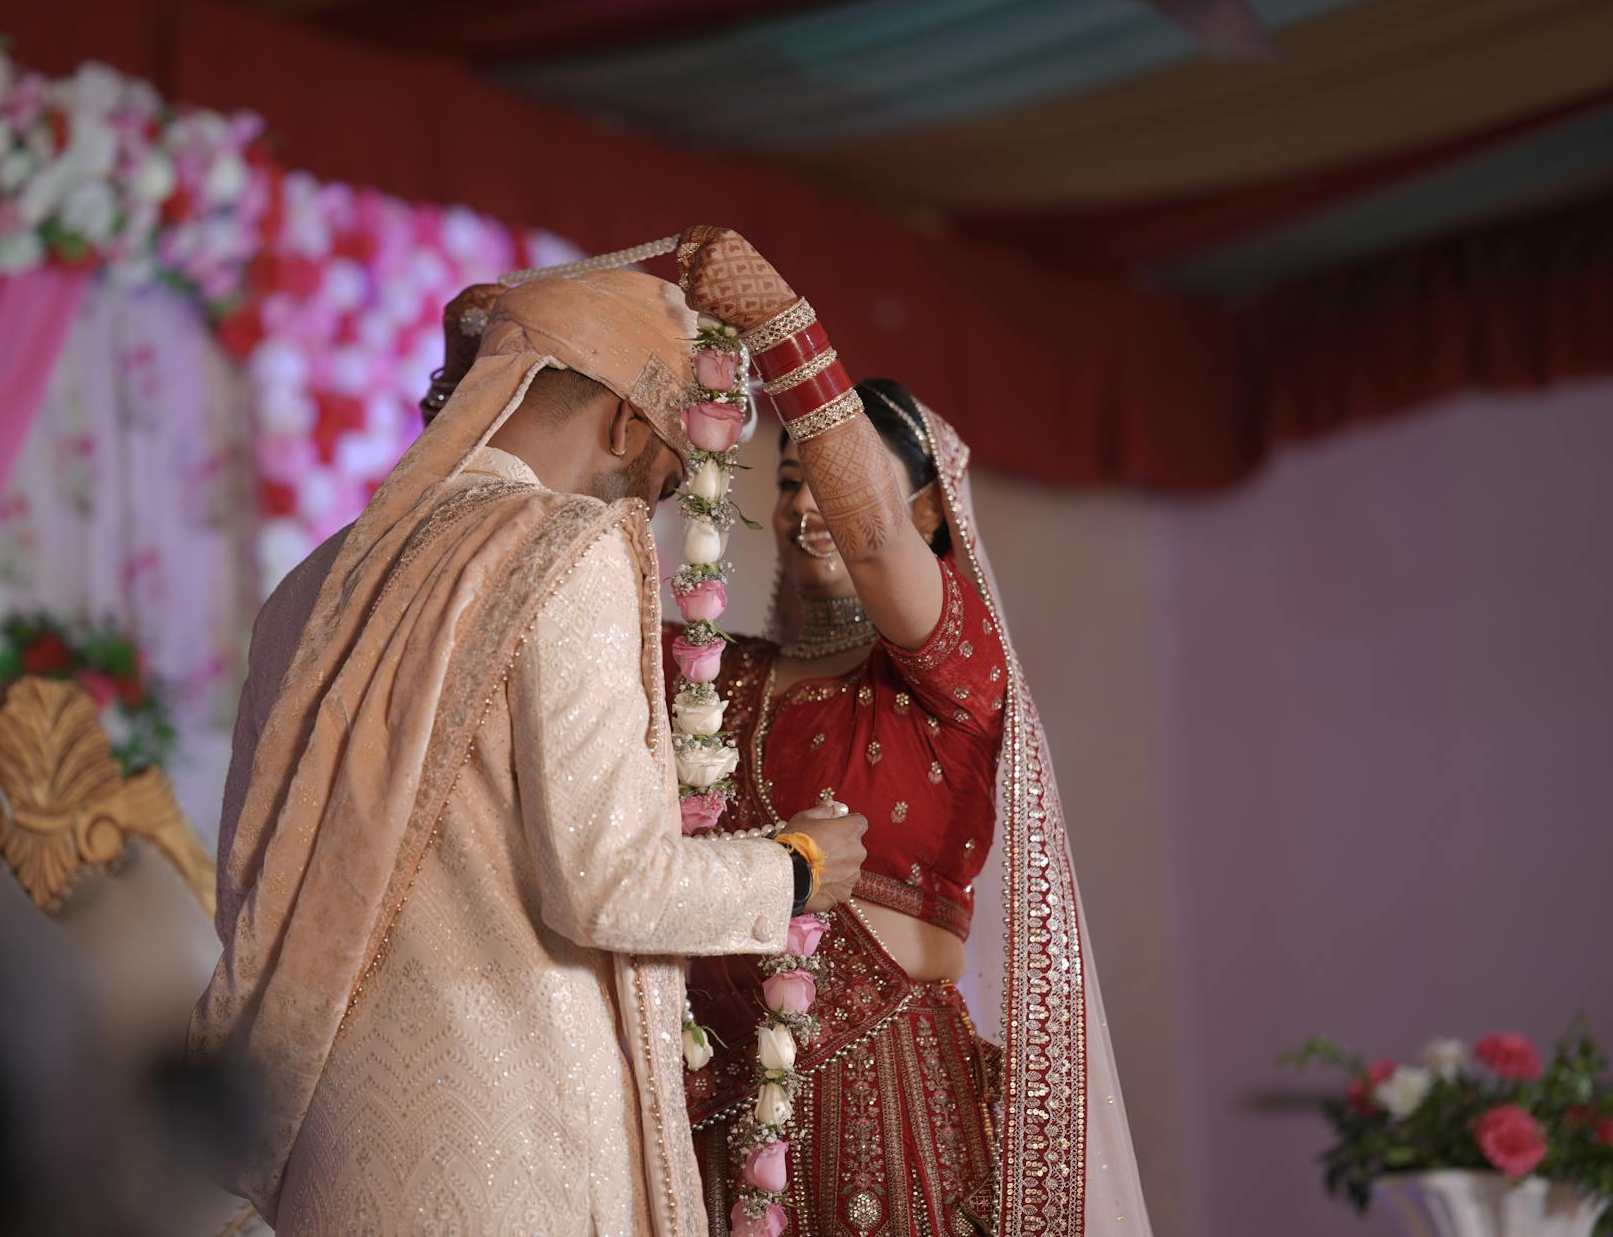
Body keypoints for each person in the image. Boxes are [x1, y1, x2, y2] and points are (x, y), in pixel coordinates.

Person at [190, 266, 869, 1235]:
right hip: (513, 1142)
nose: (647, 504)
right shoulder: (565, 544)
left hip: (334, 1148)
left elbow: (251, 876)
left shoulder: (312, 580)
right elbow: (604, 882)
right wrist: (791, 870)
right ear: (625, 423)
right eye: (660, 477)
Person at [671, 228, 1154, 1236]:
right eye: (792, 479)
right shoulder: (718, 681)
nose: (809, 507)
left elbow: (876, 535)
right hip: (714, 1119)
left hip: (884, 1097)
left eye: (835, 483)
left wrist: (781, 330)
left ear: (929, 510)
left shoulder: (952, 671)